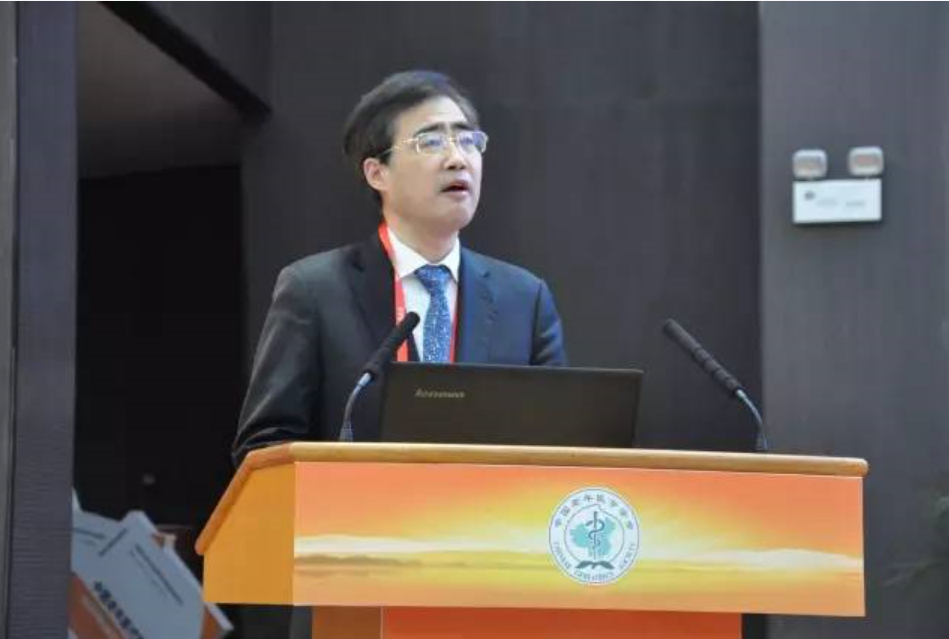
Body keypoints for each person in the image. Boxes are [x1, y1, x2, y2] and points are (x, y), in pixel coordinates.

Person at [232, 70, 567, 466]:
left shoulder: (525, 300)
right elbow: (264, 448)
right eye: (431, 141)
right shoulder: (314, 291)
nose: (458, 159)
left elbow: (560, 444)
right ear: (377, 173)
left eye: (467, 141)